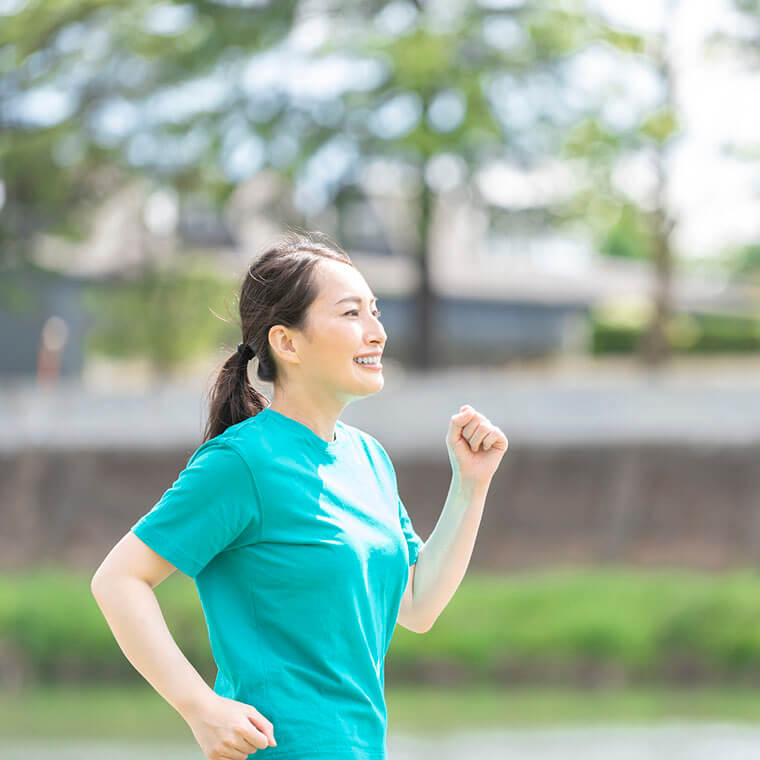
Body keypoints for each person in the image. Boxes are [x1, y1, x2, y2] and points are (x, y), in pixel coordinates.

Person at [90, 232, 508, 760]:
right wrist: (200, 707)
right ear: (287, 343)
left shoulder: (369, 458)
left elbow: (418, 603)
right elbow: (119, 580)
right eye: (351, 314)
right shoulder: (242, 462)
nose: (376, 332)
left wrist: (471, 485)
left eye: (375, 312)